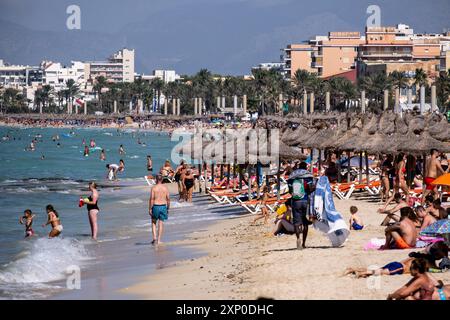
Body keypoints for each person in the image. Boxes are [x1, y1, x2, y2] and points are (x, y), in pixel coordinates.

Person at [345, 242, 449, 278]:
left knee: (379, 269)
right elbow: (435, 270)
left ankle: (354, 269)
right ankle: (359, 273)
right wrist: (443, 268)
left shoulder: (420, 256)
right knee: (378, 271)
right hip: (399, 268)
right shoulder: (428, 263)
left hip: (396, 264)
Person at [287, 161, 314, 249]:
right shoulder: (307, 176)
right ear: (306, 167)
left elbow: (290, 191)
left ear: (298, 167)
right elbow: (310, 189)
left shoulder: (292, 177)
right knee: (305, 223)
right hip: (305, 201)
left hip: (295, 202)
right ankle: (303, 244)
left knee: (296, 223)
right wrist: (312, 189)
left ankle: (298, 237)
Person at [148, 175, 170, 245]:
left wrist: (150, 208)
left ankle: (154, 238)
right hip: (163, 206)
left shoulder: (154, 188)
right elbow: (168, 199)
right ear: (162, 179)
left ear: (156, 180)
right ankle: (159, 240)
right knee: (161, 223)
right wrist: (168, 208)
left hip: (156, 206)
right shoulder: (165, 188)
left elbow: (151, 199)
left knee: (154, 222)